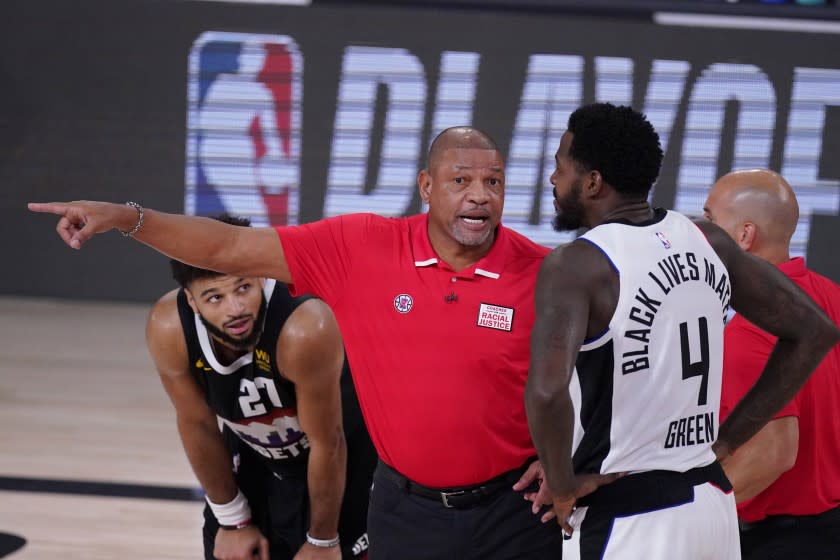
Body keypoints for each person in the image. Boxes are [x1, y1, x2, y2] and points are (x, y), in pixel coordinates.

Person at [29, 126, 565, 559]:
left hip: (515, 515)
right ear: (427, 187)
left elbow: (615, 369)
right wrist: (126, 218)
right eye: (461, 179)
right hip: (405, 512)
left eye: (493, 182)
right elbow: (230, 245)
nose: (480, 195)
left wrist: (574, 461)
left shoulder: (545, 274)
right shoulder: (361, 247)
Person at [523, 103, 840, 560]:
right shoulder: (704, 238)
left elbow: (547, 391)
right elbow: (814, 330)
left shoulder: (577, 264)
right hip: (710, 506)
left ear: (593, 181)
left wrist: (564, 484)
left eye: (559, 166)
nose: (553, 179)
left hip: (628, 517)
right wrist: (729, 439)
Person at [145, 214, 376, 560]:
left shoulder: (303, 328)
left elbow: (329, 443)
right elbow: (198, 426)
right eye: (214, 298)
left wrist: (324, 540)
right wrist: (233, 521)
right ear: (192, 303)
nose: (235, 309)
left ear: (261, 276)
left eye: (243, 288)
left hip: (342, 460)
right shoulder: (169, 328)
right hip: (256, 457)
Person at [703, 169, 840, 559]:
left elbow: (772, 454)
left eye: (710, 221)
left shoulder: (749, 332)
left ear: (744, 236)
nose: (700, 235)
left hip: (780, 541)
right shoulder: (830, 296)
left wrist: (693, 518)